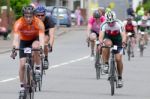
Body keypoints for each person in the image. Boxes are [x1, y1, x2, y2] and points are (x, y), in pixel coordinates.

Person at [11, 5, 45, 93]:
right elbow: (15, 39)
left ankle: (37, 68)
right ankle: (22, 86)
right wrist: (14, 49)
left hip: (35, 39)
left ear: (34, 15)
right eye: (26, 16)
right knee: (22, 64)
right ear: (23, 16)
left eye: (30, 16)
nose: (28, 18)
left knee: (36, 47)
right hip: (24, 42)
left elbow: (41, 38)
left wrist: (41, 49)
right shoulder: (18, 23)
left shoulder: (38, 23)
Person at [99, 11, 126, 87]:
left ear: (115, 19)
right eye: (109, 22)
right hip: (108, 38)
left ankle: (120, 77)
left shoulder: (119, 24)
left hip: (118, 40)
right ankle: (106, 64)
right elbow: (101, 35)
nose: (110, 24)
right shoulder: (104, 24)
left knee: (118, 59)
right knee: (106, 45)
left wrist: (124, 42)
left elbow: (123, 35)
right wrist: (100, 42)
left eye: (112, 22)